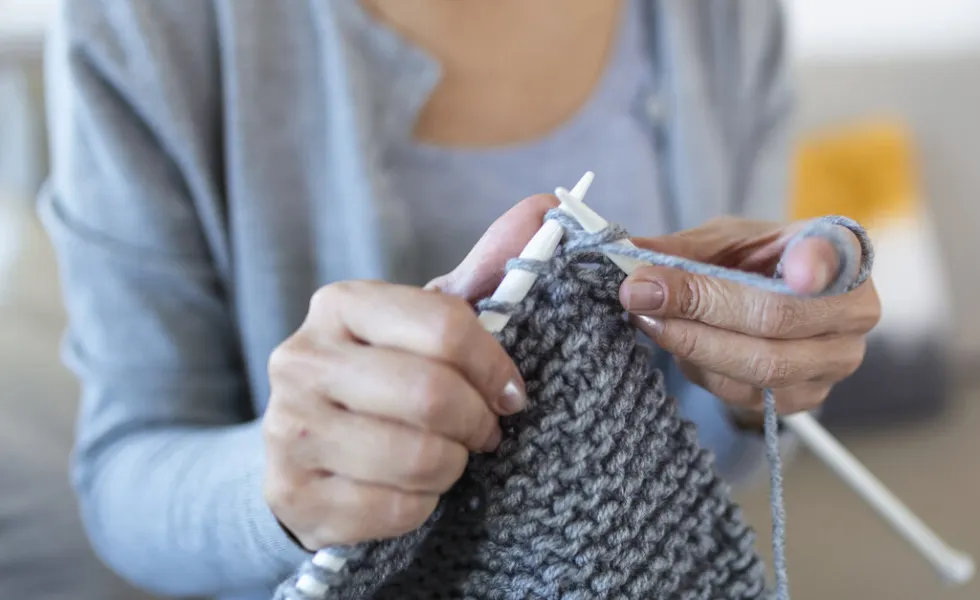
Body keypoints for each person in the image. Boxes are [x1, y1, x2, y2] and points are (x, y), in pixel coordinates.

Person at [38, 0, 881, 598]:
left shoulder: (724, 19)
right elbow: (123, 478)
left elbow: (712, 460)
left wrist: (763, 357)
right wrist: (282, 484)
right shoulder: (140, 26)